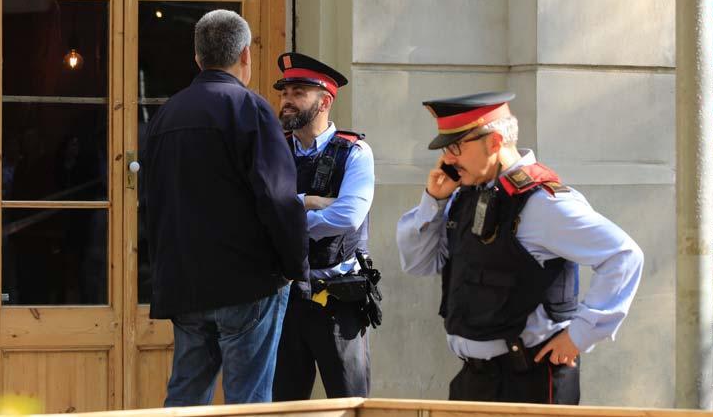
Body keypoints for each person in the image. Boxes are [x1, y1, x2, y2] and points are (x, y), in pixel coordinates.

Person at [396, 92, 643, 405]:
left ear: (495, 142)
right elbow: (418, 263)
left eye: (456, 146)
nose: (449, 159)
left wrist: (580, 335)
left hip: (529, 381)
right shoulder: (464, 195)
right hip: (475, 380)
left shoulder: (542, 204)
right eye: (447, 148)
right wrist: (433, 201)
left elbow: (624, 255)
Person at [139, 9, 308, 406]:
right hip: (246, 283)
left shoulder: (166, 116)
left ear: (198, 58)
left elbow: (153, 201)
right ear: (246, 55)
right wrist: (293, 267)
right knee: (248, 403)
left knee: (184, 399)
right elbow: (278, 199)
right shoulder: (250, 109)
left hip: (184, 283)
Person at [271, 52, 377, 400]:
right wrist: (308, 201)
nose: (287, 100)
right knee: (282, 405)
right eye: (284, 92)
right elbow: (253, 211)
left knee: (349, 401)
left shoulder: (355, 153)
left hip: (337, 300)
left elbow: (347, 217)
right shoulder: (273, 151)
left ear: (325, 101)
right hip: (283, 298)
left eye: (298, 92)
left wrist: (287, 215)